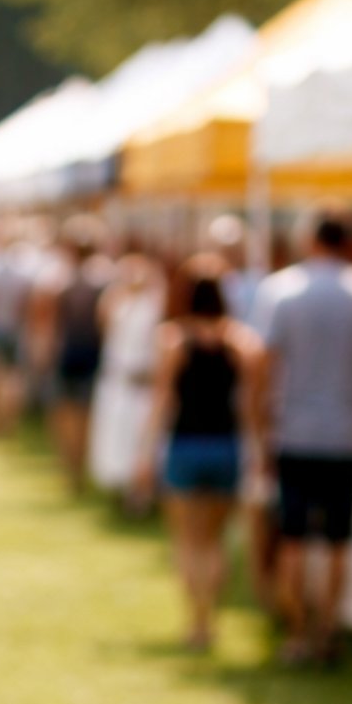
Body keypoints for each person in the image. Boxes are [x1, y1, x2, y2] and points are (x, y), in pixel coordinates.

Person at [256, 213, 352, 666]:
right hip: (347, 432)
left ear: (310, 239)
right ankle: (327, 627)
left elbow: (266, 363)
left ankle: (298, 632)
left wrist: (262, 426)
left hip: (295, 430)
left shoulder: (282, 291)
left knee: (293, 537)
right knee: (336, 541)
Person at [137, 256, 264, 653]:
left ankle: (196, 620)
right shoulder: (241, 342)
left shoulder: (173, 340)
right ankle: (211, 617)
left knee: (187, 541)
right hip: (225, 447)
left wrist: (144, 454)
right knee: (215, 540)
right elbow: (249, 405)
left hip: (185, 446)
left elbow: (162, 401)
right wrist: (256, 450)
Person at [88, 248, 167, 495]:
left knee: (140, 438)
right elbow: (102, 323)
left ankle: (141, 492)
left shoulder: (155, 301)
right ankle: (121, 486)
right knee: (117, 437)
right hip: (118, 380)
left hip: (142, 381)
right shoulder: (117, 300)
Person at [41, 222, 110, 492]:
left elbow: (50, 325)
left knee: (66, 412)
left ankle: (72, 467)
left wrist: (46, 354)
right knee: (85, 413)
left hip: (68, 353)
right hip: (92, 354)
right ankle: (78, 466)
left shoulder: (59, 281)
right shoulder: (104, 280)